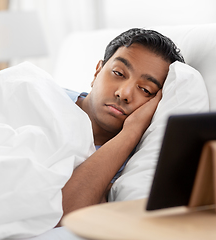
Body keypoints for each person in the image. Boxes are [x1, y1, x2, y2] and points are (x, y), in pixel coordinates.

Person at [59, 28, 185, 225]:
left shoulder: (131, 166)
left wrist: (131, 132)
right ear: (97, 71)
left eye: (145, 89)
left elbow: (62, 214)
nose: (124, 93)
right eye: (118, 73)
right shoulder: (45, 98)